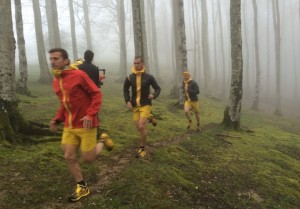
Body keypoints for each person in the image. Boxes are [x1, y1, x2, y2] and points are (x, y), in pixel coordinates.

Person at [48, 48, 112, 202]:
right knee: (69, 155)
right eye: (51, 59)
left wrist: (90, 114)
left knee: (89, 159)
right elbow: (64, 103)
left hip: (86, 123)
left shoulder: (79, 75)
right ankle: (82, 186)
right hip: (70, 125)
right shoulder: (56, 81)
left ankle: (102, 140)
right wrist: (57, 119)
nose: (52, 62)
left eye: (56, 59)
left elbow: (96, 93)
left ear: (65, 61)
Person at [123, 56, 161, 158]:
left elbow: (157, 88)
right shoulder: (129, 77)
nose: (136, 65)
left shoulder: (149, 77)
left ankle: (143, 148)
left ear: (142, 64)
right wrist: (127, 101)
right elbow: (125, 89)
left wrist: (153, 95)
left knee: (141, 126)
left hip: (146, 104)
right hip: (135, 106)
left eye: (138, 63)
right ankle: (150, 118)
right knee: (139, 128)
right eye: (134, 63)